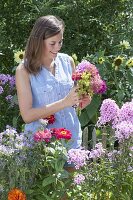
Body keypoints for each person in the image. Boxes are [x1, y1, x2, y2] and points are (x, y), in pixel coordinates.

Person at [16, 15, 91, 168]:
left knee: (72, 191)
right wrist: (65, 102)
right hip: (43, 148)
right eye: (52, 43)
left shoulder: (68, 61)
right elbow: (27, 115)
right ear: (38, 42)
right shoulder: (24, 70)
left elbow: (73, 105)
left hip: (71, 141)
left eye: (60, 42)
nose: (58, 47)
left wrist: (82, 101)